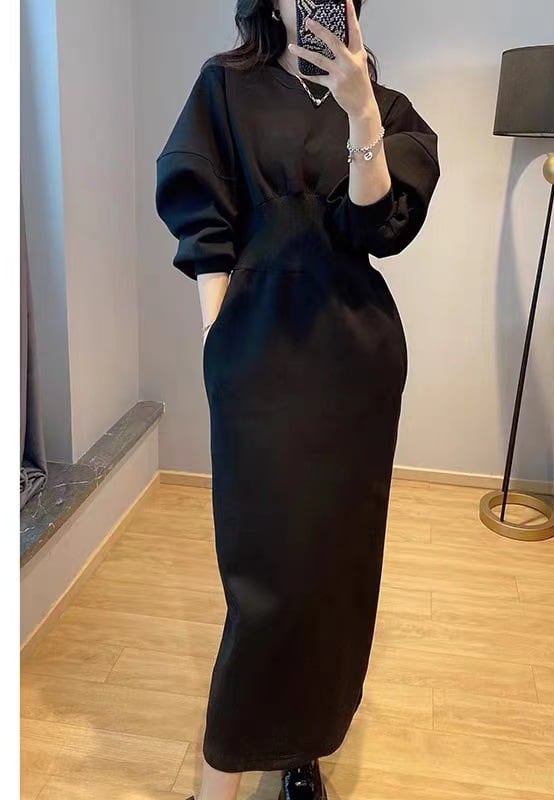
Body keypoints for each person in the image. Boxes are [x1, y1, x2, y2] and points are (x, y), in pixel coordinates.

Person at [154, 1, 440, 798]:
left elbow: (377, 228)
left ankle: (301, 749)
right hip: (256, 358)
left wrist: (361, 112)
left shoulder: (382, 104)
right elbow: (204, 223)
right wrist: (216, 339)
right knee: (265, 580)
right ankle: (220, 776)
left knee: (331, 575)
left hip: (353, 364)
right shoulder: (223, 87)